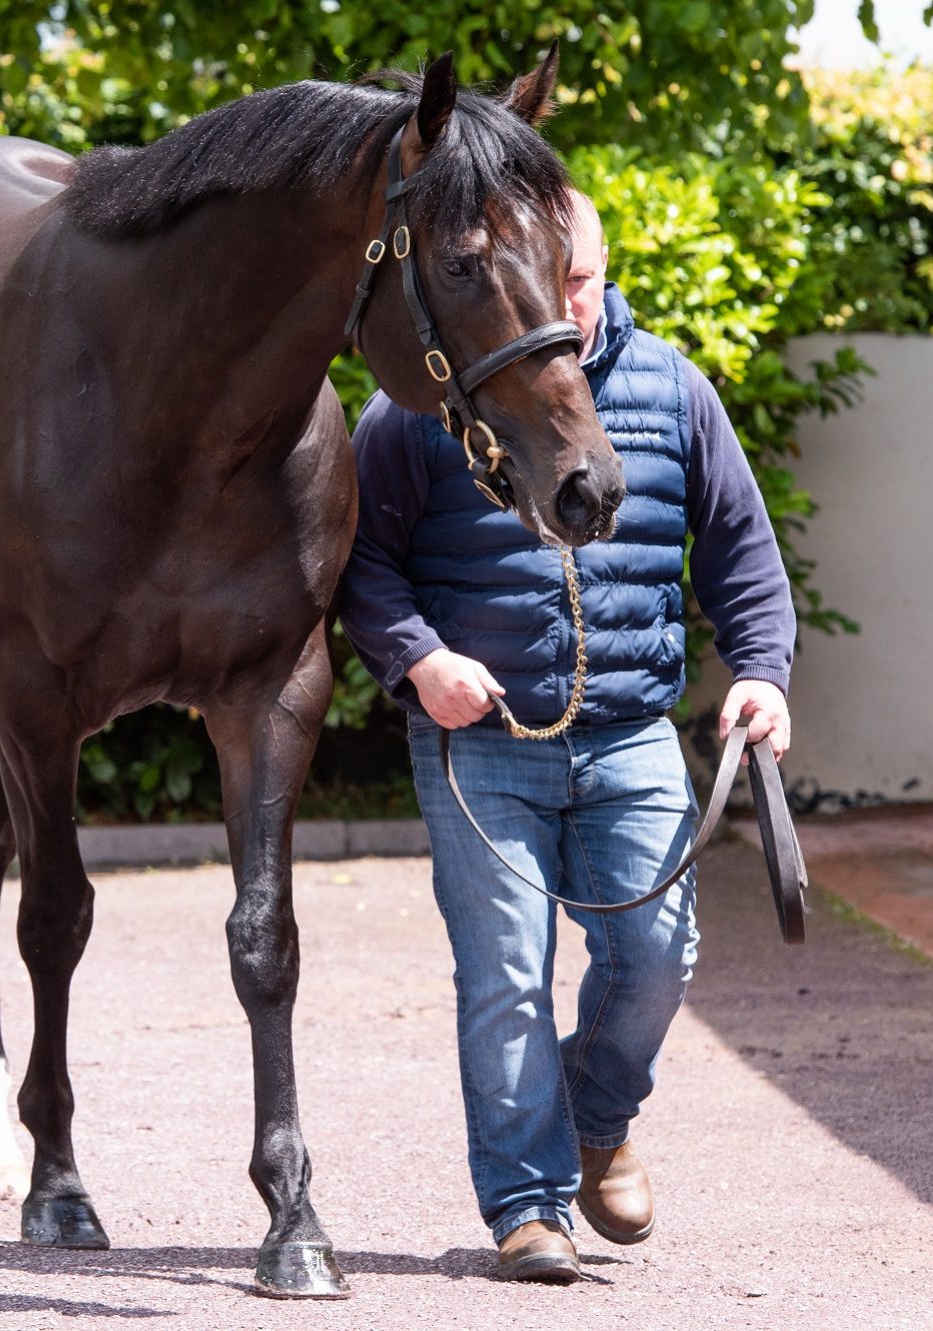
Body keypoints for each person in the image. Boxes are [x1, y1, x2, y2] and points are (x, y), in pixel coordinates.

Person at [336, 187, 796, 1284]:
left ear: (599, 268)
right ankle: (528, 1206)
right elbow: (357, 559)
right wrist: (418, 656)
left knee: (658, 954)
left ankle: (597, 1120)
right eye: (552, 280)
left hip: (633, 733)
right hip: (482, 738)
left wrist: (763, 676)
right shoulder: (423, 399)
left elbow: (739, 547)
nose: (567, 303)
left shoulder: (673, 384)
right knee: (504, 975)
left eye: (581, 280)